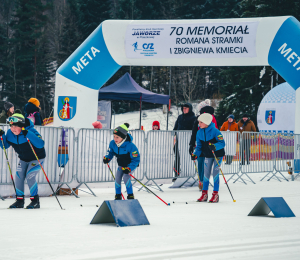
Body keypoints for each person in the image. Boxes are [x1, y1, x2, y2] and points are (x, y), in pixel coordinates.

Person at [0, 113, 46, 209]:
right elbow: (5, 146)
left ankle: (35, 201)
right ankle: (19, 201)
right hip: (24, 159)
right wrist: (2, 136)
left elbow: (41, 144)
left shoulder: (31, 130)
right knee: (19, 177)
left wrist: (28, 133)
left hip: (37, 158)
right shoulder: (10, 133)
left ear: (22, 125)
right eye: (11, 126)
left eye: (16, 126)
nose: (13, 129)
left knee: (30, 176)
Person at [191, 113, 225, 203]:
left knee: (215, 173)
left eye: (201, 122)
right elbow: (199, 147)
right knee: (206, 174)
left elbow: (222, 143)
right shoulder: (199, 132)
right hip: (207, 155)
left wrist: (214, 146)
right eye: (198, 122)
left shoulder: (215, 131)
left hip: (217, 155)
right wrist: (195, 154)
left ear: (206, 122)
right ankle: (204, 194)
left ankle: (215, 194)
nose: (199, 124)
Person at [103, 123, 140, 200]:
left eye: (117, 137)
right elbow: (110, 153)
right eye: (114, 136)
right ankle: (118, 195)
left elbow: (136, 159)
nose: (115, 139)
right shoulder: (113, 143)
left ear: (123, 137)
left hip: (130, 165)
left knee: (126, 177)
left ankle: (130, 195)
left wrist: (129, 168)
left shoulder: (131, 146)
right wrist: (107, 158)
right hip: (121, 165)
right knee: (117, 178)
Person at [189, 99, 216, 190]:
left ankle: (205, 182)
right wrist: (192, 145)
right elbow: (194, 132)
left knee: (206, 165)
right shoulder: (198, 120)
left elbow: (217, 133)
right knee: (200, 163)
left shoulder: (213, 119)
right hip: (200, 146)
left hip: (209, 146)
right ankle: (201, 182)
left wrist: (215, 145)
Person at [173, 103, 196, 180]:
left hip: (188, 141)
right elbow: (176, 127)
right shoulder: (180, 117)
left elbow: (194, 130)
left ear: (190, 108)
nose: (184, 109)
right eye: (183, 108)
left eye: (186, 108)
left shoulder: (193, 118)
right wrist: (173, 134)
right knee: (177, 157)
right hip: (179, 141)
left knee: (187, 158)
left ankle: (189, 173)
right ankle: (177, 174)